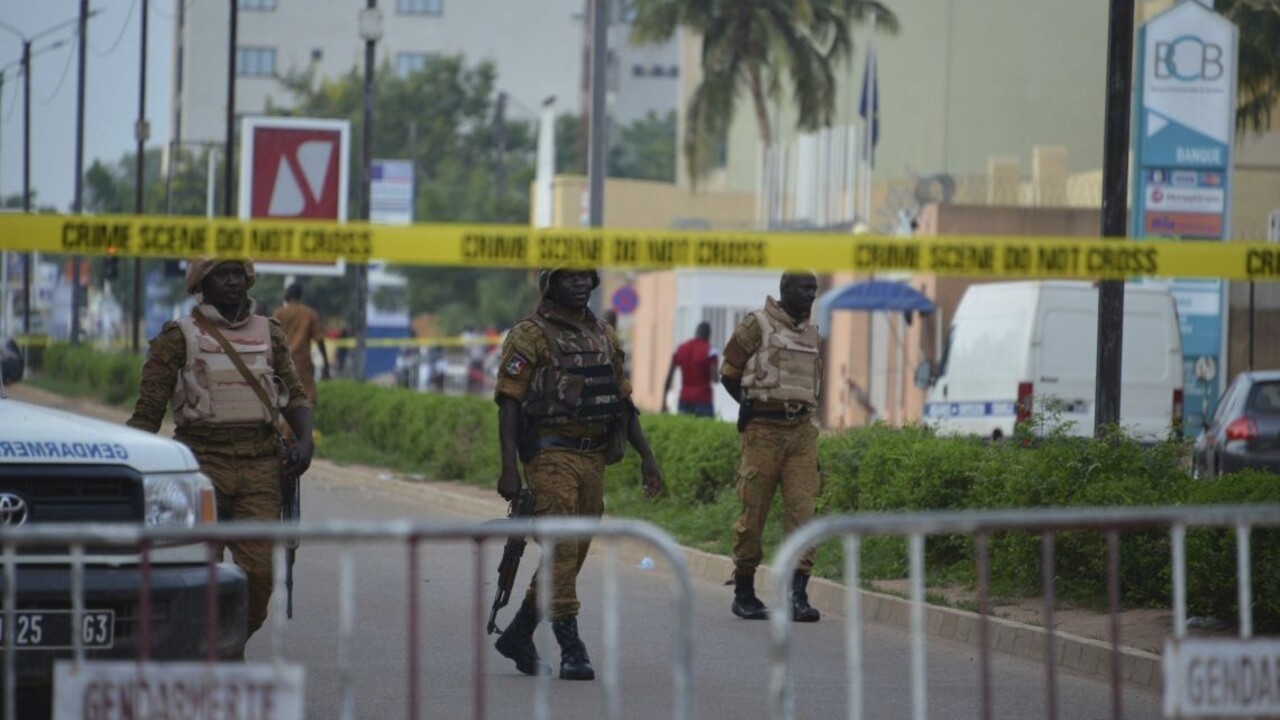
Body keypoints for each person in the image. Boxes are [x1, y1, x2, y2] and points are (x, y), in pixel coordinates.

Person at [127, 258, 314, 642]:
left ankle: (228, 642)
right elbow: (147, 414)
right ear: (201, 285)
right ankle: (207, 647)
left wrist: (305, 440)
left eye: (237, 275)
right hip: (200, 464)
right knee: (199, 572)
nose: (232, 282)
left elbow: (294, 395)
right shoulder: (178, 337)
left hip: (260, 464)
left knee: (259, 574)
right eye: (221, 275)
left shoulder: (270, 333)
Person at [492, 267, 664, 680]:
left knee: (571, 552)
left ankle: (519, 633)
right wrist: (509, 467)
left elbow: (622, 401)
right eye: (569, 278)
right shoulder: (529, 335)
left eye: (586, 277)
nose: (581, 283)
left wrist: (647, 457)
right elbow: (509, 402)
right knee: (563, 547)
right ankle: (571, 646)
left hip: (593, 456)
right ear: (550, 285)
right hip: (550, 454)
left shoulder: (604, 334)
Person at [719, 270, 823, 623]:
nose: (810, 295)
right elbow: (728, 371)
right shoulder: (757, 324)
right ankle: (744, 592)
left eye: (814, 289)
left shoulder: (812, 332)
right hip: (763, 431)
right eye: (803, 288)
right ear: (784, 290)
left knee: (803, 514)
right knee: (753, 515)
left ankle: (797, 595)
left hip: (801, 433)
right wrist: (745, 404)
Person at [273, 282, 330, 404]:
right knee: (306, 399)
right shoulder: (309, 314)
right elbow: (320, 340)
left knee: (281, 399)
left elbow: (271, 339)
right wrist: (326, 363)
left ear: (288, 294)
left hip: (281, 364)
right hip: (302, 364)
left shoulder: (279, 314)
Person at [662, 321, 719, 418]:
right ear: (708, 335)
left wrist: (663, 401)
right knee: (705, 426)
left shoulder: (680, 349)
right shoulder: (710, 351)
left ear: (696, 333)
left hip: (685, 397)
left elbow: (670, 375)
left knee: (685, 426)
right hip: (703, 398)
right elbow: (714, 378)